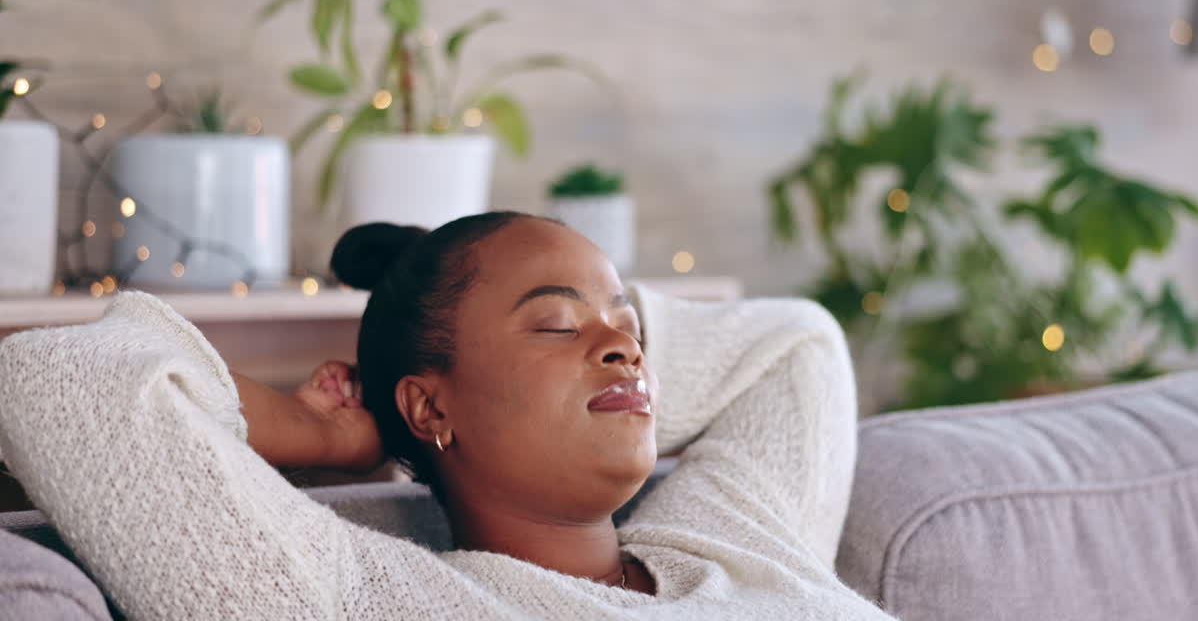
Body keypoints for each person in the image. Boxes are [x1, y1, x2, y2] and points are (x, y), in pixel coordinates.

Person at [0, 212, 895, 619]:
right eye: (555, 322)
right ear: (429, 403)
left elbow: (793, 344)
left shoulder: (729, 536)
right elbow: (56, 379)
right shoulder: (370, 599)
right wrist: (322, 433)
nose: (624, 348)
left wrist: (596, 324)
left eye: (628, 329)